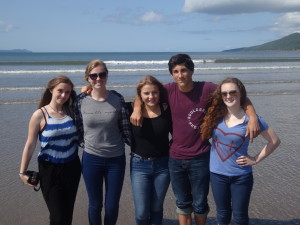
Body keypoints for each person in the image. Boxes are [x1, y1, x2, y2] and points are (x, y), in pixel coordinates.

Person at [130, 54, 260, 225]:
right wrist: (137, 108)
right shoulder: (168, 90)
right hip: (175, 158)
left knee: (199, 203)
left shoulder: (206, 89)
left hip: (201, 157)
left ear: (191, 70)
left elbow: (238, 95)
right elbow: (145, 92)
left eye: (183, 70)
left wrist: (253, 117)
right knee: (182, 203)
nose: (180, 75)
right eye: (175, 71)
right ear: (171, 74)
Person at [201, 77, 280, 225]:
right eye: (224, 93)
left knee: (240, 216)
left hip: (241, 176)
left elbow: (274, 141)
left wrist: (255, 159)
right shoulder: (214, 115)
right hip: (217, 175)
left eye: (232, 92)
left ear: (241, 94)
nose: (228, 96)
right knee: (222, 214)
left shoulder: (251, 120)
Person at [74, 59, 131, 225]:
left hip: (116, 160)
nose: (98, 78)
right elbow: (76, 126)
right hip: (91, 159)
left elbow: (125, 125)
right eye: (93, 76)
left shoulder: (117, 98)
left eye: (102, 74)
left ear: (107, 75)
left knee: (112, 205)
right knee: (95, 205)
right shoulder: (80, 101)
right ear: (87, 78)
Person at [19, 75, 81, 225]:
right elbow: (30, 144)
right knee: (57, 217)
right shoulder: (40, 115)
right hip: (49, 170)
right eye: (60, 91)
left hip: (72, 167)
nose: (63, 95)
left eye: (67, 92)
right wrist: (22, 172)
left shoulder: (72, 111)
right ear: (51, 90)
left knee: (67, 215)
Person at [127, 75, 172, 225]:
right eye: (146, 93)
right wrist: (137, 107)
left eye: (154, 92)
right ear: (140, 95)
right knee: (141, 213)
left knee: (156, 208)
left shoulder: (167, 109)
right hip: (139, 165)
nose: (151, 96)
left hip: (163, 165)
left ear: (160, 93)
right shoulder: (130, 110)